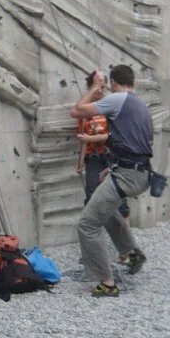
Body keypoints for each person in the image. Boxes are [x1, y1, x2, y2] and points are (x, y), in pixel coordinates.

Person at [69, 65, 154, 298]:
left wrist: (95, 87)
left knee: (87, 224)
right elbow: (125, 140)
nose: (107, 88)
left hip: (128, 174)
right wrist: (115, 168)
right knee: (102, 209)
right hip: (137, 172)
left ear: (114, 82)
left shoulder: (118, 99)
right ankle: (132, 252)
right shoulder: (138, 104)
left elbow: (77, 111)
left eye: (108, 84)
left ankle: (107, 283)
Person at [75, 71, 131, 228]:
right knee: (91, 196)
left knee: (120, 196)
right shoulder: (86, 112)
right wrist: (80, 163)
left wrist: (91, 139)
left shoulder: (111, 106)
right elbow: (82, 139)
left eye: (103, 87)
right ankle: (93, 233)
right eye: (98, 87)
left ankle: (127, 241)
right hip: (93, 158)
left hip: (112, 156)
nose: (101, 91)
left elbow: (113, 136)